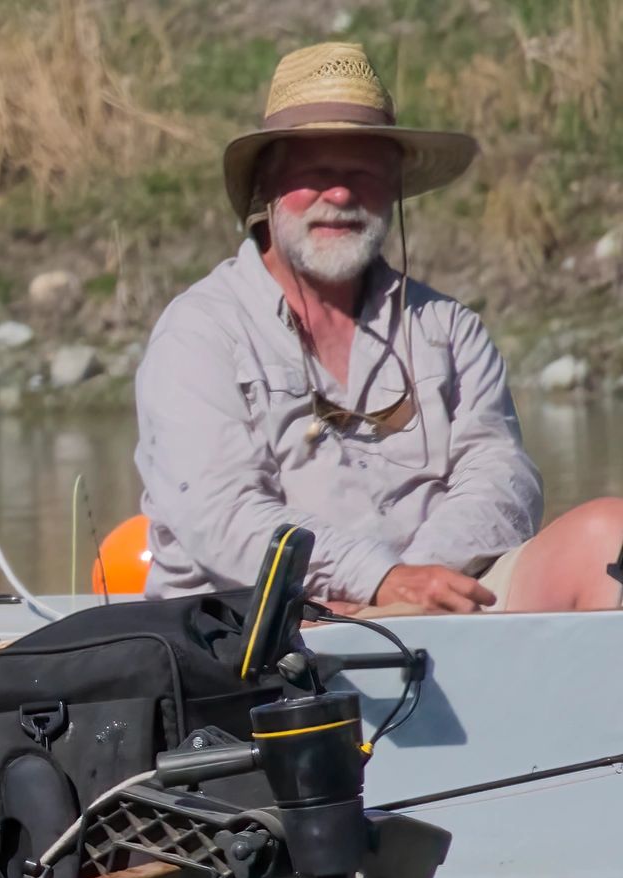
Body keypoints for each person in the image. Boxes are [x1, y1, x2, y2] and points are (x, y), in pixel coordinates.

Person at [135, 41, 623, 614]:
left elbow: (504, 482)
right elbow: (220, 515)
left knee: (609, 537)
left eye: (363, 174)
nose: (340, 195)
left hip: (440, 599)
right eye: (315, 174)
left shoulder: (449, 329)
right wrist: (373, 578)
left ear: (394, 190)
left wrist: (414, 583)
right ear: (268, 191)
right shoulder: (197, 334)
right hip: (260, 624)